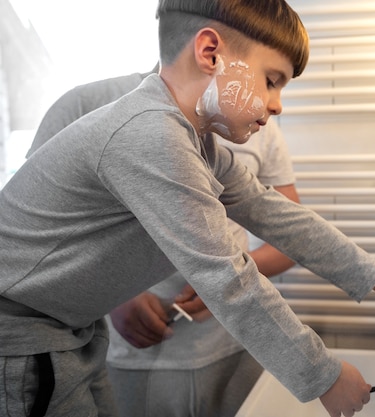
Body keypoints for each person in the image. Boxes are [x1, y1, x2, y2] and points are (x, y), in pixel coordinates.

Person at [0, 1, 375, 417]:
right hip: (20, 334)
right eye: (272, 80)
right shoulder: (150, 135)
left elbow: (279, 216)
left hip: (68, 329)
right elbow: (228, 279)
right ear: (211, 52)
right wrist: (325, 376)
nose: (276, 105)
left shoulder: (195, 142)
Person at [28, 67, 299, 417]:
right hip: (123, 356)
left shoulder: (255, 124)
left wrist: (229, 275)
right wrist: (111, 295)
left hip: (233, 347)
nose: (273, 103)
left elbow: (290, 236)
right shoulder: (84, 103)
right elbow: (36, 234)